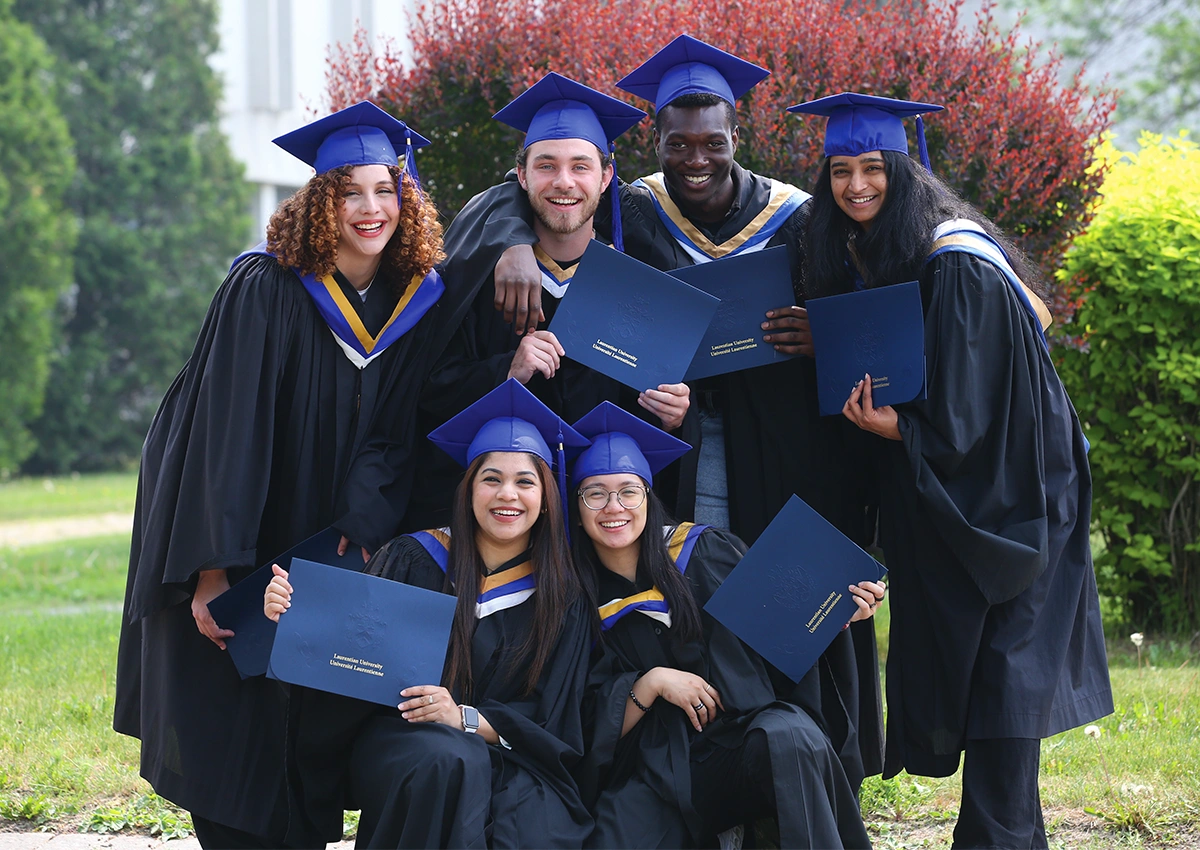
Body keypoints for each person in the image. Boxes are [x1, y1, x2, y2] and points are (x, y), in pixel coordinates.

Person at [467, 35, 885, 791]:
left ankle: (809, 762)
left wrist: (822, 333)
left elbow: (869, 295)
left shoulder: (794, 215)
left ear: (737, 138)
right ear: (655, 144)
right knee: (686, 594)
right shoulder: (633, 208)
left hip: (783, 440)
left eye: (714, 142)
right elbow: (529, 193)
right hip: (667, 440)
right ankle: (695, 760)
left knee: (782, 583)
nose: (696, 158)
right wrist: (509, 246)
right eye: (678, 142)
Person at [112, 101, 447, 849]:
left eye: (386, 190)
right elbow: (224, 436)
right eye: (349, 190)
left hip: (327, 545)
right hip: (244, 533)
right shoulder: (265, 287)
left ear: (407, 197)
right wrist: (211, 571)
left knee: (304, 720)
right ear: (318, 200)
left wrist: (363, 529)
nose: (371, 208)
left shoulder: (413, 302)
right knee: (234, 727)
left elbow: (394, 436)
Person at [792, 91, 1114, 848]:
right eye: (841, 171)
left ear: (905, 171)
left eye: (874, 167)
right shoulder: (892, 253)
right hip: (985, 489)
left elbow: (972, 405)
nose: (857, 185)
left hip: (1016, 492)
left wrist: (899, 424)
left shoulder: (955, 259)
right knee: (992, 677)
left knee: (1006, 676)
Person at [267, 379, 595, 848]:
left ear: (546, 501)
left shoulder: (562, 597)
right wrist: (296, 620)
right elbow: (347, 660)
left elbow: (556, 718)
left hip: (506, 752)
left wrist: (463, 717)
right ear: (468, 490)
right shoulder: (414, 557)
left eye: (525, 481)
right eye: (491, 479)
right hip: (403, 744)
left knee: (524, 814)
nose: (508, 495)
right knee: (448, 760)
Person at [568, 401, 882, 848]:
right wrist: (652, 683)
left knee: (790, 736)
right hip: (650, 768)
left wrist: (834, 615)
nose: (612, 507)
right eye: (594, 493)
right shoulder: (571, 596)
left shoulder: (704, 552)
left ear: (648, 496)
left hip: (738, 744)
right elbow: (574, 721)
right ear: (576, 506)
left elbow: (775, 635)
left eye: (628, 491)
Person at [404, 72, 691, 531]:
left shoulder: (639, 283)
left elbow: (643, 414)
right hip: (498, 521)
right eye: (545, 165)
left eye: (580, 166)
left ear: (606, 177)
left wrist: (673, 416)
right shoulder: (475, 278)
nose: (563, 182)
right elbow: (428, 391)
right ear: (520, 174)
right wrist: (507, 371)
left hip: (599, 522)